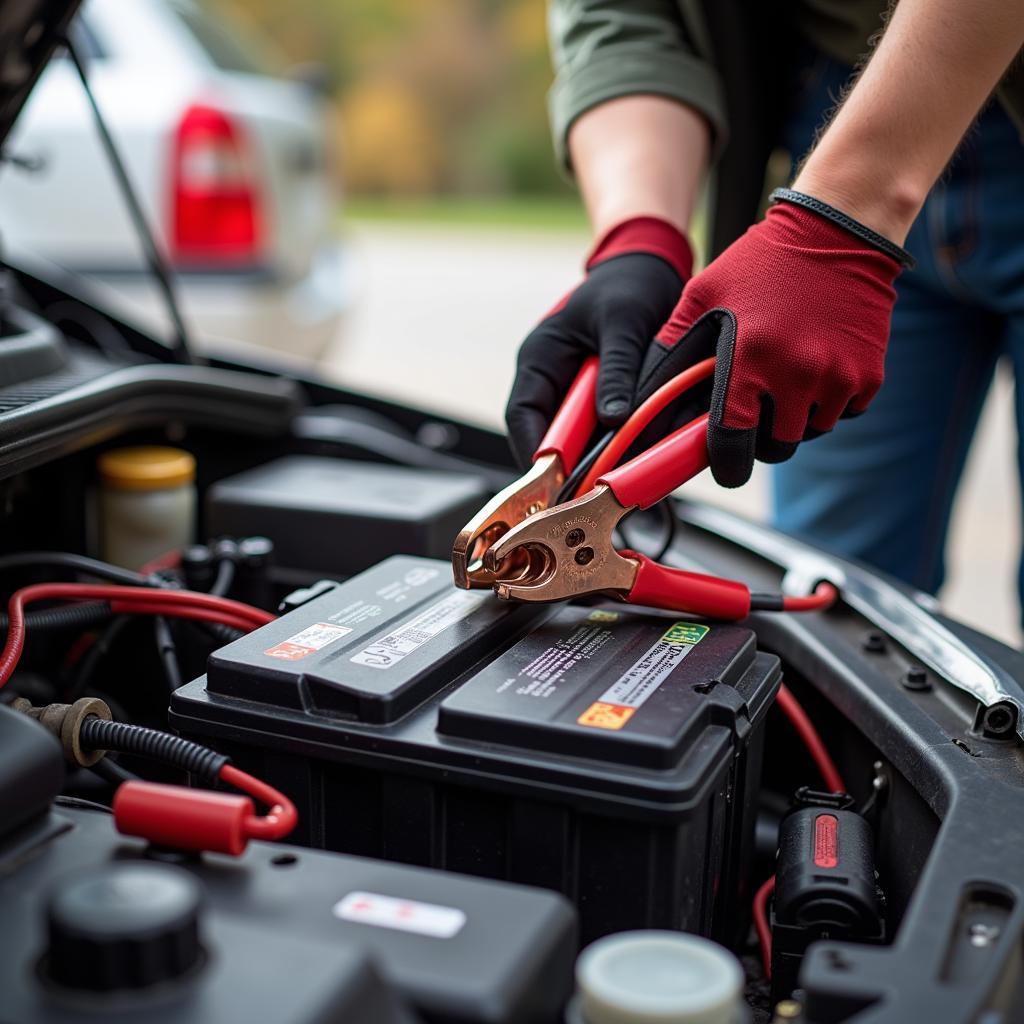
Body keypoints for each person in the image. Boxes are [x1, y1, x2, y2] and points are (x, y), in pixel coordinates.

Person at [505, 0, 1024, 604]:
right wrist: (639, 237)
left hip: (850, 182)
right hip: (836, 129)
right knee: (838, 583)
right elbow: (622, 15)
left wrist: (844, 220)